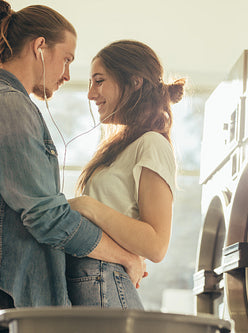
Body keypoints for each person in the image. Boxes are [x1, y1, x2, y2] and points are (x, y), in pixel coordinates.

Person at [0, 2, 144, 332]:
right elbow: (46, 216)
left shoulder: (7, 103)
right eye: (67, 58)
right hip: (6, 301)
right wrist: (124, 256)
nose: (68, 74)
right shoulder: (7, 105)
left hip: (5, 300)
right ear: (39, 47)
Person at [66, 40, 186, 309]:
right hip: (94, 281)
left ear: (134, 82)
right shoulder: (121, 147)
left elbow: (156, 245)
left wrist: (87, 207)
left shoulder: (152, 144)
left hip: (104, 283)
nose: (90, 94)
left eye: (99, 81)